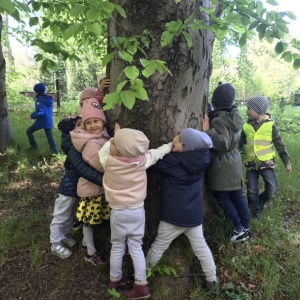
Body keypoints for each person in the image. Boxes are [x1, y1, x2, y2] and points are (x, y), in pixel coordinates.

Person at [99, 125, 172, 300]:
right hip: (137, 211)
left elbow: (104, 149)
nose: (112, 144)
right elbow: (157, 153)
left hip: (117, 212)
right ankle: (141, 285)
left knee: (117, 246)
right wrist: (170, 145)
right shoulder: (142, 161)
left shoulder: (107, 160)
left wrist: (114, 137)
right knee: (136, 247)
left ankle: (114, 281)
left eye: (115, 144)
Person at [145, 128, 219, 291]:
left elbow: (148, 164)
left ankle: (143, 274)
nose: (173, 140)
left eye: (178, 140)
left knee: (158, 246)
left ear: (186, 147)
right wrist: (206, 133)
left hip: (173, 217)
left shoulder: (172, 162)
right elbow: (208, 148)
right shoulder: (203, 160)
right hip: (193, 217)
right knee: (201, 247)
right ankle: (212, 280)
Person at [50, 116, 105, 259]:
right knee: (61, 214)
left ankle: (64, 235)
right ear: (70, 131)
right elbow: (81, 168)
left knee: (71, 213)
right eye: (78, 125)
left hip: (78, 187)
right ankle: (55, 243)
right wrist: (102, 180)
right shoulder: (72, 146)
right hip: (68, 187)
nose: (83, 127)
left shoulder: (81, 141)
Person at [202, 83, 251, 242]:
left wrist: (209, 131)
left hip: (223, 164)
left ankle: (238, 228)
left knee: (222, 196)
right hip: (234, 162)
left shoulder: (219, 119)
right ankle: (246, 226)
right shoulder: (234, 116)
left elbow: (223, 144)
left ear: (215, 101)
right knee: (237, 196)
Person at [70, 98, 110, 266]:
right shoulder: (91, 143)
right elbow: (102, 165)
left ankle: (88, 243)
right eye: (89, 123)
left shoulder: (101, 136)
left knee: (94, 219)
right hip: (90, 190)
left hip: (98, 189)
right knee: (89, 221)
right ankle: (90, 252)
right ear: (84, 126)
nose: (93, 125)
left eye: (97, 121)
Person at [238, 96, 292, 219]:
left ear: (258, 110)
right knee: (251, 191)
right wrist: (241, 158)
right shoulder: (246, 126)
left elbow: (280, 145)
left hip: (266, 164)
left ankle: (259, 202)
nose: (247, 111)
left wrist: (286, 161)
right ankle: (254, 212)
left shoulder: (271, 126)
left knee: (272, 188)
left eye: (249, 108)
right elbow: (241, 144)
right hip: (251, 164)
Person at [26, 83, 58, 154]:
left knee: (29, 131)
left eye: (34, 91)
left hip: (42, 121)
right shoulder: (48, 99)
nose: (34, 92)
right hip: (49, 120)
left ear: (37, 92)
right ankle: (55, 152)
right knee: (50, 136)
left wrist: (31, 116)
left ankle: (34, 146)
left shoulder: (39, 100)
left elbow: (41, 112)